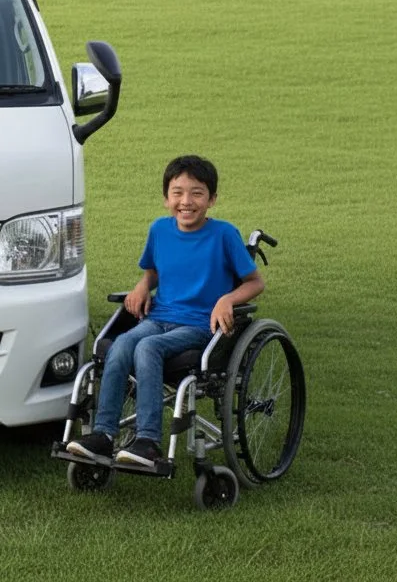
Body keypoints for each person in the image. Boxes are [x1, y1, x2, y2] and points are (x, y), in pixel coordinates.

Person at [67, 154, 265, 468]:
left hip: (200, 325)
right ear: (166, 199)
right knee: (119, 346)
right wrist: (143, 286)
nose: (186, 201)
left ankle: (147, 441)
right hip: (159, 317)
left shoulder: (224, 235)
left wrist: (227, 300)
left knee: (147, 347)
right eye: (178, 192)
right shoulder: (160, 230)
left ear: (212, 199)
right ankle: (103, 436)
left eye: (197, 193)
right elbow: (155, 271)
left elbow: (254, 282)